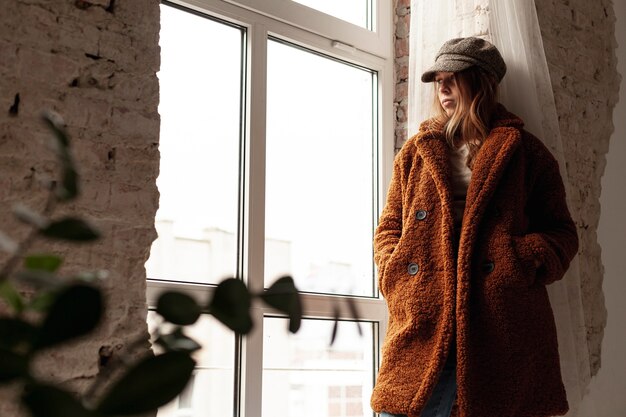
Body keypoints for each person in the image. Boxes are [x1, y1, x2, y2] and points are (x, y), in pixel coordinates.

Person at [370, 37, 579, 417]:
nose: (443, 88)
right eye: (439, 80)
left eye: (454, 78)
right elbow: (389, 226)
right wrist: (394, 269)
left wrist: (516, 261)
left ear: (480, 83)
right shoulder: (417, 152)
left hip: (497, 320)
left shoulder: (525, 153)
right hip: (424, 314)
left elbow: (562, 233)